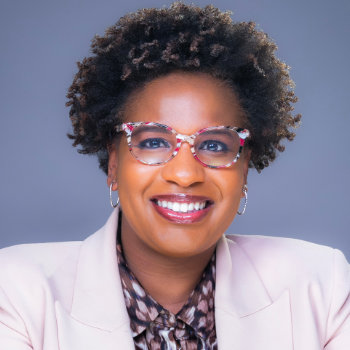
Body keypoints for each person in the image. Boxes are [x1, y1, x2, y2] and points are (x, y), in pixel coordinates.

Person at [0, 2, 349, 349]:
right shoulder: (17, 292)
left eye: (214, 144)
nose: (184, 174)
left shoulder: (322, 287)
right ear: (113, 163)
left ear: (244, 168)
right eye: (153, 141)